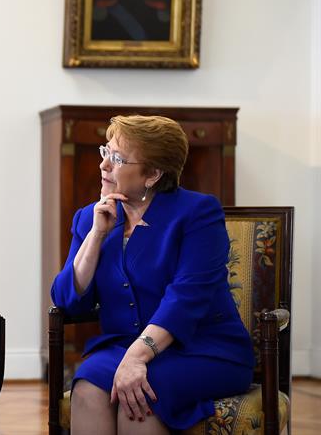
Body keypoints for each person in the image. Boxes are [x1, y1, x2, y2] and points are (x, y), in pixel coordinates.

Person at [50, 115, 254, 435]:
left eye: (117, 158)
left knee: (141, 394)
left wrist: (137, 358)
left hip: (203, 348)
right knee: (88, 388)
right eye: (105, 151)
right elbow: (66, 300)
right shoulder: (90, 217)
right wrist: (96, 235)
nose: (104, 164)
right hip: (123, 346)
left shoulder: (198, 213)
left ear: (153, 174)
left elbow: (186, 298)